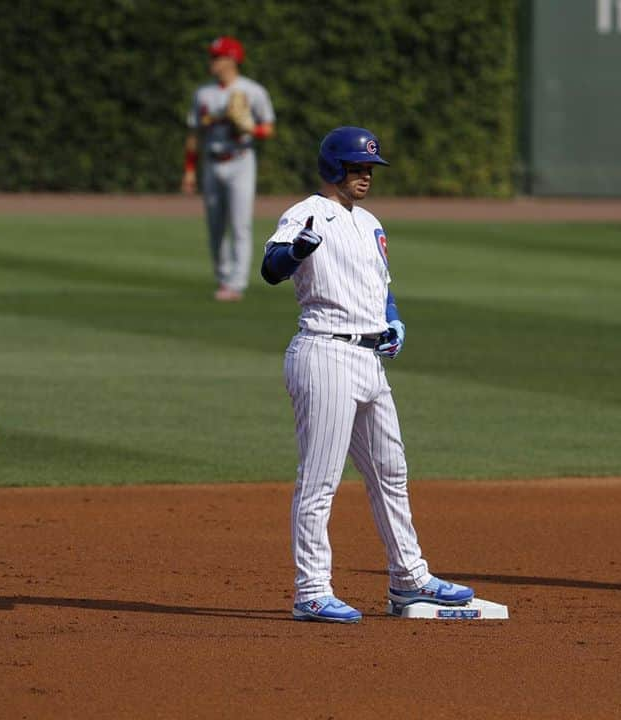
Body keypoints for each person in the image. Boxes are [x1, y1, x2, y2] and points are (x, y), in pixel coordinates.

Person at [261, 127, 475, 623]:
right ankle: (311, 590)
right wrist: (295, 251)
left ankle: (409, 581)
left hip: (368, 360)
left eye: (370, 170)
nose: (366, 178)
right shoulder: (306, 212)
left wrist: (393, 319)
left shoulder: (371, 222)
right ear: (335, 168)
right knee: (320, 479)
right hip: (325, 353)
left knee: (390, 472)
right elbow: (271, 268)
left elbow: (383, 288)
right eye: (358, 169)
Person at [181, 35, 275, 302]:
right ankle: (223, 278)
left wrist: (249, 128)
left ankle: (236, 284)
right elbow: (194, 133)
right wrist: (189, 170)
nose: (212, 61)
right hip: (212, 162)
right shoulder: (203, 93)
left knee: (240, 224)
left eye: (217, 56)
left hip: (241, 160)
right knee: (215, 225)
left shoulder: (253, 91)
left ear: (232, 59)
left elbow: (268, 128)